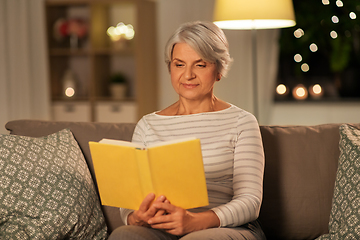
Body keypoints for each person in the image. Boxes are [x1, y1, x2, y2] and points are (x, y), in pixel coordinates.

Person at [109, 21, 266, 240]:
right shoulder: (147, 125)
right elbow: (131, 202)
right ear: (170, 68)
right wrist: (136, 217)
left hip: (227, 229)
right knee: (124, 235)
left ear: (219, 70)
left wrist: (194, 223)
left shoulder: (242, 122)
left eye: (200, 65)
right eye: (179, 64)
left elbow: (250, 202)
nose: (188, 75)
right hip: (162, 229)